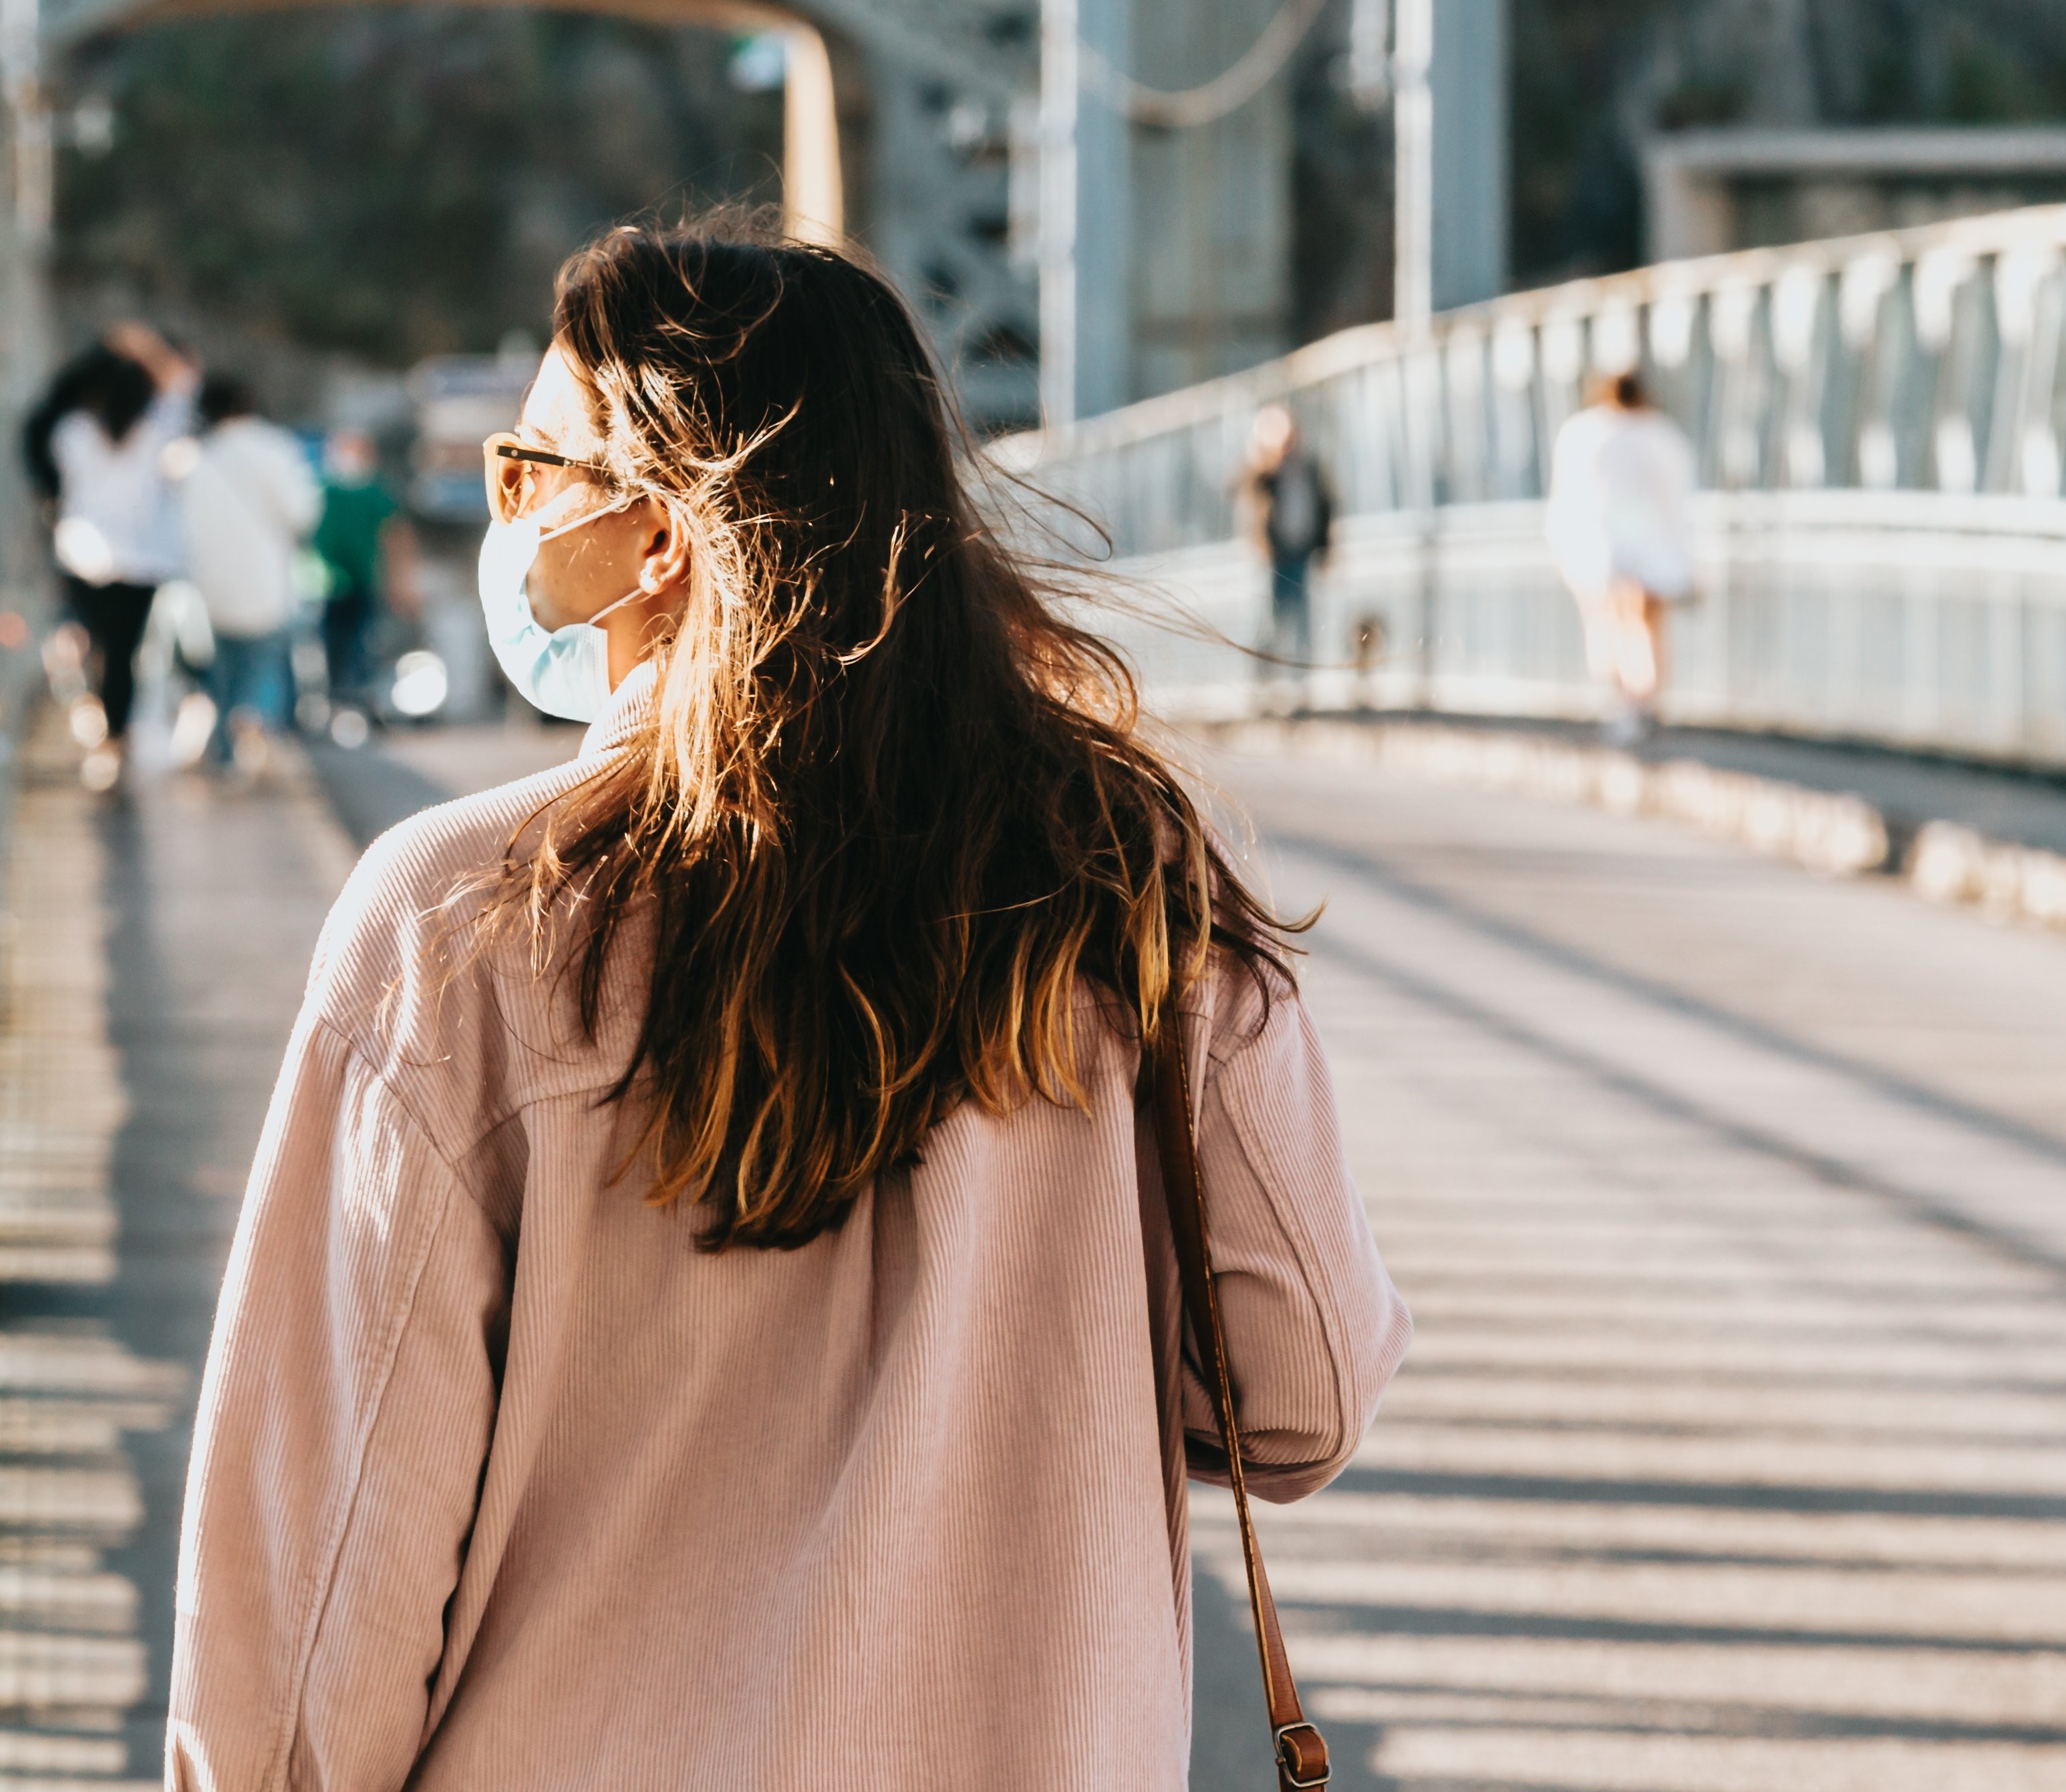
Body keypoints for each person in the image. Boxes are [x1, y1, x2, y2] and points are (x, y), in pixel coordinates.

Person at [169, 212, 1406, 1791]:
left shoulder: (461, 924)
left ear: (660, 533)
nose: (508, 513)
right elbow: (1297, 1394)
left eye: (528, 469)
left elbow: (311, 1610)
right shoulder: (1127, 888)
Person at [22, 323, 192, 761]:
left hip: (84, 554)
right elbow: (182, 393)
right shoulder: (158, 431)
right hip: (143, 559)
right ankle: (115, 739)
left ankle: (89, 709)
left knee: (88, 638)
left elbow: (55, 476)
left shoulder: (73, 431)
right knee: (125, 654)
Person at [176, 373, 319, 774]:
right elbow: (302, 512)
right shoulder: (275, 447)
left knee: (220, 673)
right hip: (265, 579)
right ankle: (255, 726)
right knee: (263, 663)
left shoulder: (195, 457)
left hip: (209, 584)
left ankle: (224, 756)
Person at [1547, 365, 1699, 744]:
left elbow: (1567, 497)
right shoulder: (1662, 435)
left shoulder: (1583, 433)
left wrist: (1564, 548)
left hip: (1604, 547)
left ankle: (1626, 705)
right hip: (1655, 546)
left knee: (1613, 623)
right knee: (1649, 626)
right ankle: (1646, 701)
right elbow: (1679, 499)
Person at [310, 428, 416, 712]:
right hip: (326, 585)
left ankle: (359, 703)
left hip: (365, 582)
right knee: (329, 649)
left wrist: (399, 582)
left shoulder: (374, 493)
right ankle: (335, 702)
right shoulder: (322, 490)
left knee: (363, 646)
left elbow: (397, 537)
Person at [1233, 401, 1332, 669]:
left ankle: (1301, 675)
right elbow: (1243, 489)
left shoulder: (1310, 469)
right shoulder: (1266, 473)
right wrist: (1266, 461)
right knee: (1273, 616)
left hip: (1303, 550)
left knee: (1303, 616)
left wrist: (1326, 547)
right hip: (1275, 555)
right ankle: (1269, 672)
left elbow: (1325, 507)